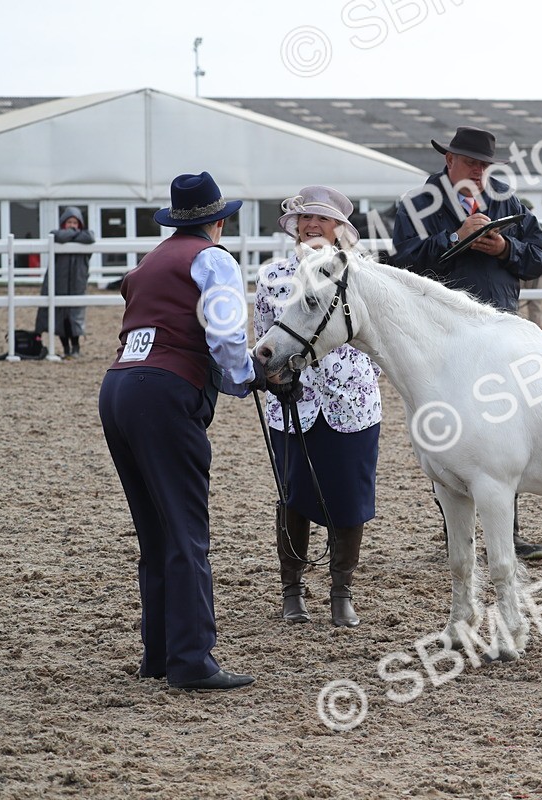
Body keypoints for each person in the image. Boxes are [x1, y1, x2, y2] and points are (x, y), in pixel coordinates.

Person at [98, 172, 263, 692]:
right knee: (187, 529)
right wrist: (245, 379)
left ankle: (161, 653)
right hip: (166, 390)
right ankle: (192, 659)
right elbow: (225, 329)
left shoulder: (150, 261)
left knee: (156, 529)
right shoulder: (213, 259)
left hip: (119, 387)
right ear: (219, 221)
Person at [391, 125, 542, 561]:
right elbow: (402, 263)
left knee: (501, 428)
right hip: (441, 336)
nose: (479, 171)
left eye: (484, 164)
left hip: (499, 329)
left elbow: (541, 256)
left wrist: (504, 248)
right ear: (449, 161)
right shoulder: (416, 206)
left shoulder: (507, 201)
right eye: (471, 163)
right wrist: (453, 240)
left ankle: (508, 532)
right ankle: (456, 532)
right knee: (445, 426)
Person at [254, 186, 382, 627]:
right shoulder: (272, 277)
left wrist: (360, 381)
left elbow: (379, 338)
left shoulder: (362, 273)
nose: (312, 225)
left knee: (350, 496)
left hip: (353, 402)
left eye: (322, 219)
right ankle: (292, 591)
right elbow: (263, 339)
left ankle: (341, 590)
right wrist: (275, 382)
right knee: (293, 495)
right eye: (305, 218)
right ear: (294, 226)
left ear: (339, 229)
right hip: (293, 405)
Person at [35, 207, 94, 358]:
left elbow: (90, 237)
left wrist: (72, 235)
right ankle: (66, 349)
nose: (72, 225)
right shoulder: (57, 235)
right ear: (63, 223)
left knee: (74, 318)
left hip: (76, 284)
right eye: (69, 222)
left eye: (75, 222)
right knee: (60, 318)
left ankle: (76, 347)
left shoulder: (85, 236)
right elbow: (58, 236)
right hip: (58, 283)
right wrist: (74, 234)